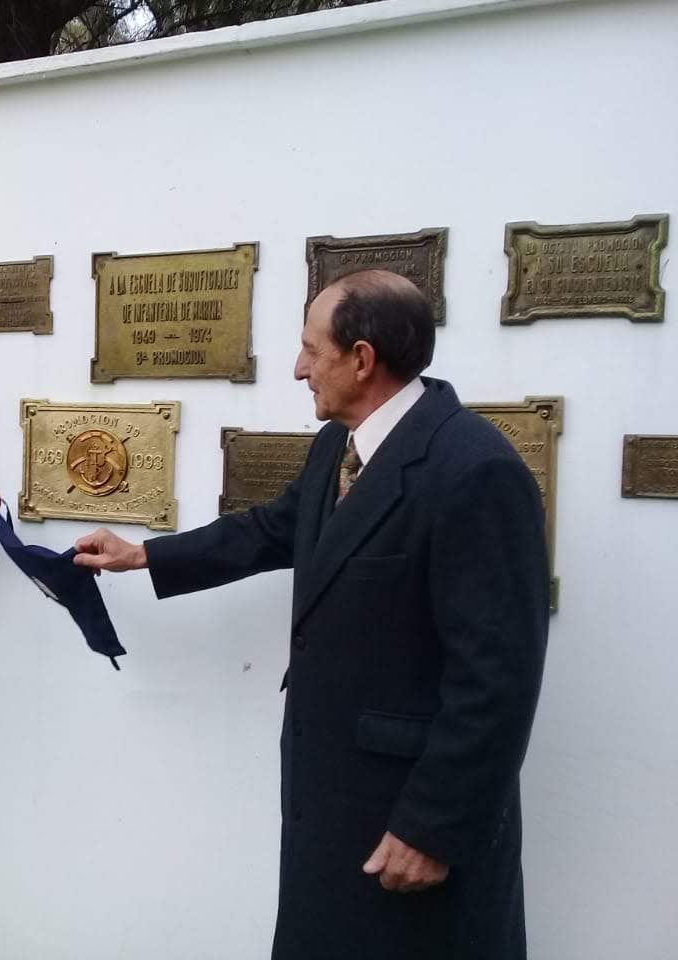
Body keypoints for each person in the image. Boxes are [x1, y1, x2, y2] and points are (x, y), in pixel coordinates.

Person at [73, 270, 549, 959]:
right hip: (331, 794)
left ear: (361, 359)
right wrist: (144, 555)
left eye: (309, 349)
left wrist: (433, 827)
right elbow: (273, 530)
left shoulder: (473, 469)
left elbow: (498, 678)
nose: (298, 369)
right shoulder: (340, 444)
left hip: (406, 814)